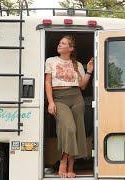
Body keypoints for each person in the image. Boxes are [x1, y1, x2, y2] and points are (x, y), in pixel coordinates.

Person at [45, 35, 93, 178]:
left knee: (77, 132)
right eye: (59, 42)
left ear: (70, 48)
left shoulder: (77, 65)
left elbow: (83, 86)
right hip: (59, 98)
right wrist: (51, 102)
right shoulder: (51, 61)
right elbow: (48, 82)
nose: (59, 45)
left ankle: (72, 166)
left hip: (76, 97)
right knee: (70, 129)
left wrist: (89, 70)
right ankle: (63, 161)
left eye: (63, 43)